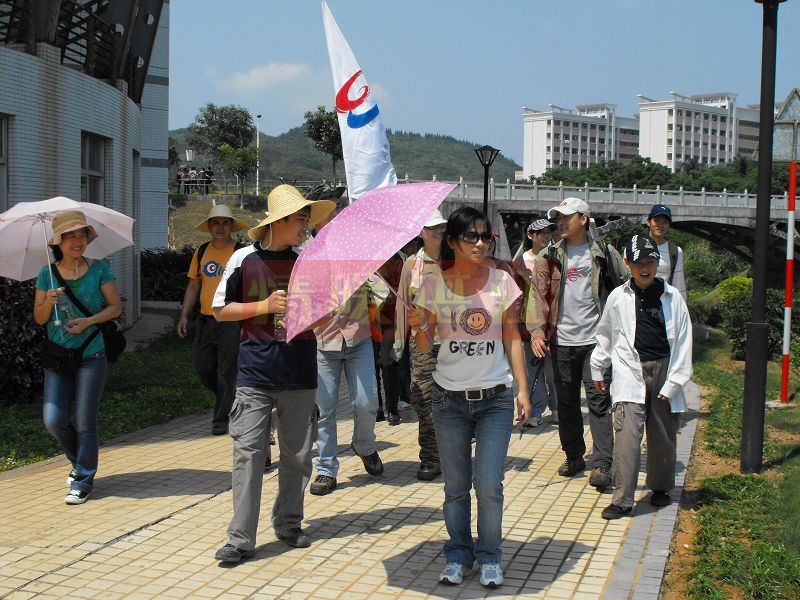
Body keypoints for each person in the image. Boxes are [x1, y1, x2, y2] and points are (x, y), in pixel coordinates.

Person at [211, 185, 335, 564]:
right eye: (300, 220)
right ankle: (240, 538)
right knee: (248, 455)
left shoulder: (310, 260)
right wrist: (262, 306)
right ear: (279, 221)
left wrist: (317, 310)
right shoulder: (243, 259)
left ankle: (289, 523)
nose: (304, 226)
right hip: (254, 374)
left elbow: (327, 318)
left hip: (299, 372)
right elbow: (219, 309)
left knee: (297, 456)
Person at [408, 206, 530, 588]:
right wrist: (420, 326)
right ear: (454, 242)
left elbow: (512, 335)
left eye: (485, 236)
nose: (480, 243)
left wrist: (523, 389)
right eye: (471, 237)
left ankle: (490, 555)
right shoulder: (432, 286)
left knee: (490, 484)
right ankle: (459, 552)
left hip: (494, 397)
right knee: (456, 487)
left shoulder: (502, 282)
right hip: (449, 401)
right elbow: (427, 346)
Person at [526, 197, 627, 490]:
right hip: (561, 342)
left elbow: (626, 287)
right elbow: (537, 295)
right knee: (567, 403)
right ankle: (574, 456)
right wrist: (535, 332)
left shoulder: (604, 253)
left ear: (583, 219)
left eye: (566, 217)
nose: (560, 222)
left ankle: (602, 465)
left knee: (598, 402)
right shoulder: (548, 256)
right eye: (557, 217)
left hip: (597, 343)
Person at [591, 234, 692, 519]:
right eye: (638, 263)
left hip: (663, 369)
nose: (645, 268)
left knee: (662, 434)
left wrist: (675, 382)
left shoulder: (672, 297)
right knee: (626, 437)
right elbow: (605, 335)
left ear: (657, 262)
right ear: (627, 263)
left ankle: (660, 486)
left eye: (650, 262)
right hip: (628, 371)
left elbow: (684, 341)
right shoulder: (618, 297)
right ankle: (622, 499)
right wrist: (598, 367)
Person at [33, 211, 123, 505]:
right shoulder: (47, 273)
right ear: (58, 241)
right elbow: (39, 318)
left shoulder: (99, 270)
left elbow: (115, 308)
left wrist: (88, 322)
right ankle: (78, 461)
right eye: (70, 235)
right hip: (59, 356)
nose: (77, 240)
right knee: (53, 420)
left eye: (82, 235)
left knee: (86, 422)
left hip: (91, 351)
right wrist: (48, 299)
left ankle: (83, 479)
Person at [309, 205, 384, 497]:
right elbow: (298, 301)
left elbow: (381, 292)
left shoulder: (359, 257)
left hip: (358, 338)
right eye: (327, 223)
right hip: (323, 342)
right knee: (324, 410)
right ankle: (326, 469)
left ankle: (364, 445)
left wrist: (367, 278)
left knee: (367, 402)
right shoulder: (307, 258)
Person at [177, 204, 249, 436]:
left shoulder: (241, 253)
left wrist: (245, 322)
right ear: (209, 226)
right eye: (216, 222)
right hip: (206, 320)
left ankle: (220, 421)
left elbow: (248, 290)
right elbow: (193, 285)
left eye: (225, 222)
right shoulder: (201, 252)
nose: (220, 227)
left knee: (227, 370)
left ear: (231, 227)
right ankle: (229, 399)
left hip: (231, 320)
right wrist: (184, 315)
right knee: (204, 366)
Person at [394, 209, 448, 481]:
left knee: (453, 399)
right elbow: (402, 306)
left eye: (441, 225)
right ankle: (430, 457)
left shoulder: (457, 261)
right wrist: (399, 343)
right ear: (421, 232)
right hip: (423, 344)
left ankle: (453, 453)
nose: (439, 230)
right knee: (424, 398)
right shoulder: (410, 266)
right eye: (432, 226)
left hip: (455, 344)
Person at [515, 218, 558, 427]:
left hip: (554, 323)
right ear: (531, 235)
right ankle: (537, 409)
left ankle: (557, 407)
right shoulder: (519, 262)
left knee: (554, 369)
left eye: (549, 232)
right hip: (526, 323)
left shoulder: (556, 256)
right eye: (541, 233)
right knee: (533, 369)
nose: (546, 236)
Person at [647, 204, 687, 301]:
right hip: (638, 306)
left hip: (664, 307)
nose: (660, 225)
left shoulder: (675, 251)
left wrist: (683, 311)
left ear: (669, 225)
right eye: (657, 221)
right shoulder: (634, 246)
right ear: (648, 222)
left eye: (665, 222)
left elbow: (679, 284)